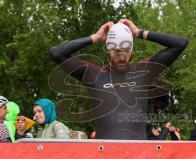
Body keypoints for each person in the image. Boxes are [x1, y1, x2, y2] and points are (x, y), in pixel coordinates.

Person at [49, 19, 188, 140]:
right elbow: (56, 53)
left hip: (139, 154)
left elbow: (180, 43)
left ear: (131, 52)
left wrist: (139, 32)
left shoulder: (143, 71)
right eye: (116, 51)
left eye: (126, 50)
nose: (122, 57)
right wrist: (95, 37)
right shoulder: (94, 75)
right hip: (104, 154)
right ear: (108, 52)